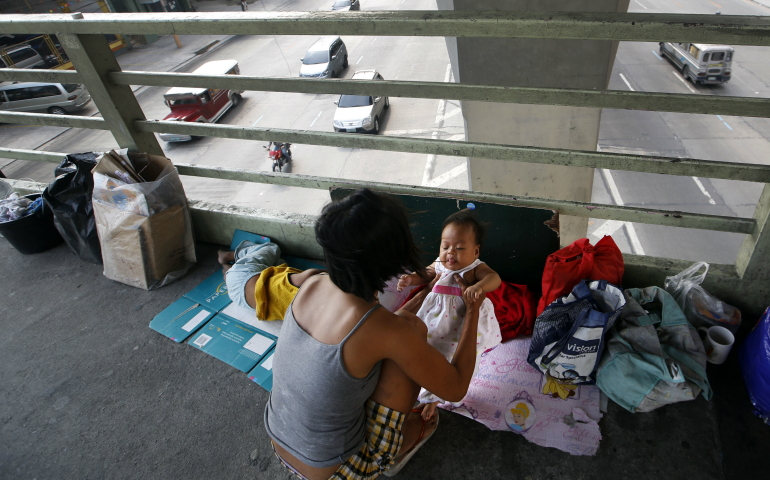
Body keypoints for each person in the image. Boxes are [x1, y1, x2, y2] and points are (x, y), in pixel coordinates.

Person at [264, 188, 486, 480]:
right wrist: (473, 310)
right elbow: (456, 387)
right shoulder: (385, 330)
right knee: (411, 332)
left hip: (280, 442)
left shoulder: (312, 283)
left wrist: (425, 292)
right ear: (394, 259)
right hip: (335, 471)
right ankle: (400, 444)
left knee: (407, 323)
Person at [397, 209, 502, 420]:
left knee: (459, 359)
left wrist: (480, 286)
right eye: (445, 247)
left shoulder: (475, 268)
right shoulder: (440, 264)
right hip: (437, 323)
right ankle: (430, 397)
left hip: (462, 326)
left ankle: (437, 398)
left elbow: (495, 278)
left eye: (460, 247)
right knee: (432, 356)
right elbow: (427, 273)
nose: (450, 252)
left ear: (476, 251)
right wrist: (411, 279)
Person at [218, 241, 322, 320]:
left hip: (242, 276)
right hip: (242, 300)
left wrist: (326, 273)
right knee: (279, 263)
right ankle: (226, 271)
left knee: (272, 248)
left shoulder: (305, 284)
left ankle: (227, 256)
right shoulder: (305, 316)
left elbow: (311, 273)